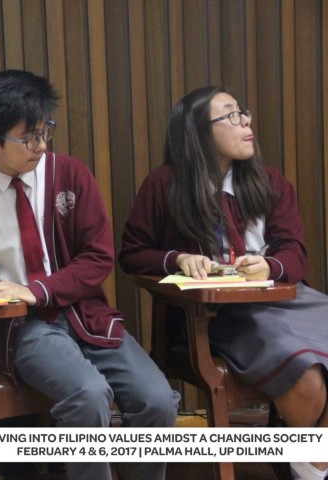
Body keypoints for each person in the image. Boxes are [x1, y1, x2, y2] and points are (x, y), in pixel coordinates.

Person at [0, 69, 180, 480]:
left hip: (90, 317)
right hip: (23, 328)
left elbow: (98, 257)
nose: (41, 145)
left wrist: (37, 289)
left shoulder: (70, 175)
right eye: (29, 138)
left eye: (45, 131)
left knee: (157, 400)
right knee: (88, 395)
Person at [119, 86, 328, 480]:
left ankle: (309, 463)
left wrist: (270, 266)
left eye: (243, 113)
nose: (245, 121)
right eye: (231, 115)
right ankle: (310, 466)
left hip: (285, 300)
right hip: (216, 314)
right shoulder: (165, 184)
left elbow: (295, 252)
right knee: (308, 378)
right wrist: (177, 259)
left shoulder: (270, 182)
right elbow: (132, 253)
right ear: (199, 131)